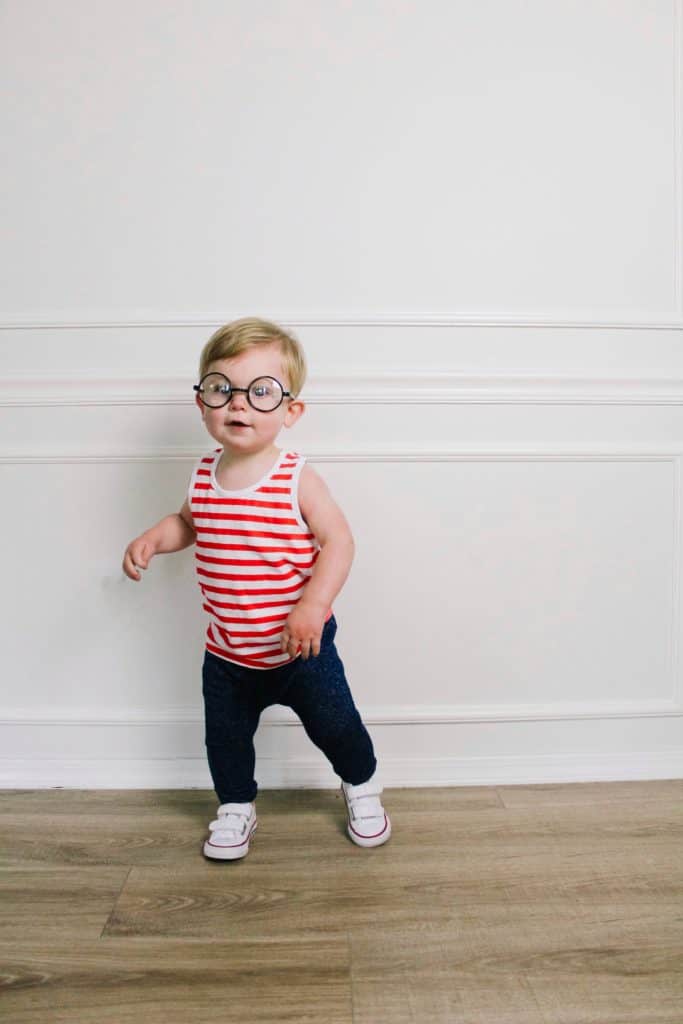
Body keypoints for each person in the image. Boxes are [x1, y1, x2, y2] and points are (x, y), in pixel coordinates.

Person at [122, 317, 391, 860]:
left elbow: (339, 542)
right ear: (201, 403)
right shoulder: (202, 475)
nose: (238, 404)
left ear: (290, 411)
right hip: (227, 653)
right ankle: (236, 805)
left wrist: (313, 605)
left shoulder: (296, 477)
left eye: (260, 392)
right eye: (222, 388)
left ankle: (362, 785)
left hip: (300, 648)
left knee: (336, 725)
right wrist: (157, 536)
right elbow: (190, 523)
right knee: (224, 740)